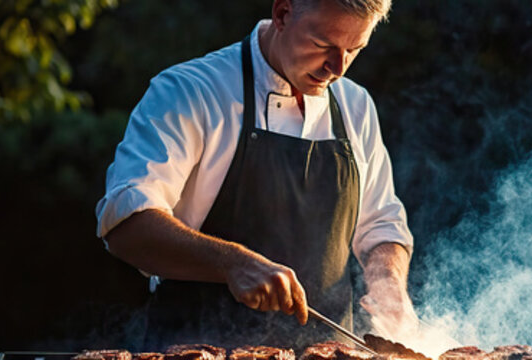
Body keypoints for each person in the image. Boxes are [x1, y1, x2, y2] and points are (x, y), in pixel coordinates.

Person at [95, 0, 417, 348]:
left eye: (354, 49)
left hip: (330, 352)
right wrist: (231, 263)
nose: (337, 68)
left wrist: (388, 280)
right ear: (282, 13)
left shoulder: (356, 107)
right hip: (195, 348)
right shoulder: (191, 91)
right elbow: (127, 225)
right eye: (323, 45)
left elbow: (382, 223)